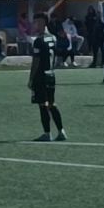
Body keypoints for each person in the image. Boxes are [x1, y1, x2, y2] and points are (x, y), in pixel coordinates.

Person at [29, 13, 66, 142]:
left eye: (37, 22)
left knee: (42, 104)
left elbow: (36, 62)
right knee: (52, 103)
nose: (35, 25)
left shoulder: (38, 41)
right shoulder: (53, 38)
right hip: (51, 74)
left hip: (41, 76)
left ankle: (47, 133)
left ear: (43, 23)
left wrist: (31, 78)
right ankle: (61, 131)